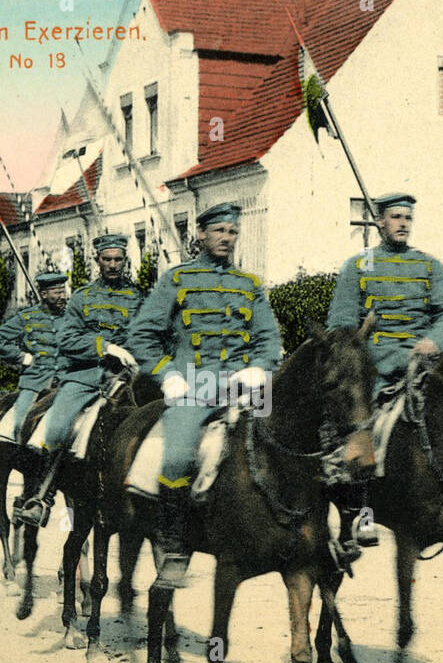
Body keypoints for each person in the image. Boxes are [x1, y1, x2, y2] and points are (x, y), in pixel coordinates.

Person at [125, 201, 283, 587]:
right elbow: (141, 335)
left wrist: (260, 367)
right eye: (219, 232)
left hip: (243, 387)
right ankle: (176, 545)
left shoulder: (250, 285)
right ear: (201, 235)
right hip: (192, 385)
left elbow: (268, 339)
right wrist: (167, 375)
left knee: (288, 441)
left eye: (232, 232)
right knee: (177, 456)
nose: (227, 239)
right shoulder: (176, 280)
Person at [325, 191, 443, 563]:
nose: (403, 223)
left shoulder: (429, 266)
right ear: (380, 222)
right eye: (395, 217)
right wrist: (359, 347)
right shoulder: (358, 266)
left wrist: (434, 340)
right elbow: (339, 325)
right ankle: (361, 513)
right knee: (363, 425)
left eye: (408, 218)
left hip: (422, 361)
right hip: (375, 364)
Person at [15, 234, 142, 528]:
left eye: (118, 259)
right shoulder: (82, 298)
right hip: (85, 376)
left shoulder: (138, 297)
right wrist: (106, 347)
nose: (113, 265)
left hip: (126, 376)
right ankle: (42, 495)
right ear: (97, 260)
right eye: (107, 259)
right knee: (57, 426)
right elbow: (67, 338)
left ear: (125, 261)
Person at [0, 270, 69, 444]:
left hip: (65, 382)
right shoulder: (26, 318)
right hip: (35, 383)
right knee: (18, 424)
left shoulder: (71, 319)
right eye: (58, 292)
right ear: (44, 294)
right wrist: (22, 358)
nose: (63, 296)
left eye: (64, 291)